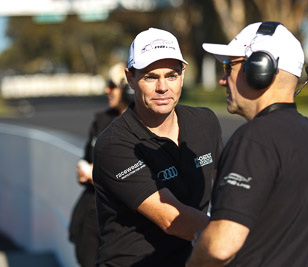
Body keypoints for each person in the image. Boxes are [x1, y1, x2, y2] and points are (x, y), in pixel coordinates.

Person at [187, 21, 308, 267]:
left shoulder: (252, 140)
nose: (223, 79)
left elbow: (220, 246)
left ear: (258, 69)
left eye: (228, 66)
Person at [92, 27, 223, 266]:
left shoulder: (205, 122)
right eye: (151, 77)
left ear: (183, 74)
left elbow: (227, 189)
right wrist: (243, 239)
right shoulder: (114, 144)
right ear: (130, 78)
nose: (163, 87)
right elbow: (173, 219)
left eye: (171, 75)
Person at [69, 62, 133, 267]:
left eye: (112, 85)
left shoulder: (143, 126)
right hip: (92, 212)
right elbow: (86, 158)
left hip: (123, 219)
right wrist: (84, 170)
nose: (107, 90)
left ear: (128, 89)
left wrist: (95, 173)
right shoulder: (101, 120)